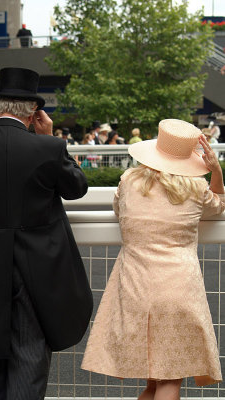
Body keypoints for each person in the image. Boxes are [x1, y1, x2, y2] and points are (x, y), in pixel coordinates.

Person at [0, 67, 93, 400]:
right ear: (33, 112)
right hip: (36, 268)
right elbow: (77, 188)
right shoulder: (48, 149)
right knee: (29, 354)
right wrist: (48, 137)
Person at [82, 119, 224, 400]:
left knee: (151, 383)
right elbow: (220, 205)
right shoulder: (196, 189)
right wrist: (216, 171)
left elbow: (118, 210)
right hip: (179, 286)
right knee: (170, 378)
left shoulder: (128, 181)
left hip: (135, 285)